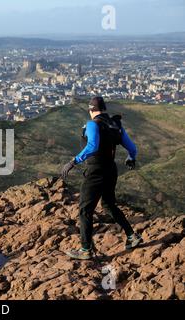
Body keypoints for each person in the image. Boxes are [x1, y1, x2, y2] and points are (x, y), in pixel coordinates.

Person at [61, 97, 143, 260]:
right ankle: (132, 236)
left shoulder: (92, 124)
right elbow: (132, 147)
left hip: (95, 172)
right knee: (109, 204)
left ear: (91, 110)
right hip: (111, 170)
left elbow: (92, 145)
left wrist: (73, 161)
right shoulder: (115, 124)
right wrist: (130, 158)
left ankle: (85, 249)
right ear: (104, 109)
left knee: (85, 210)